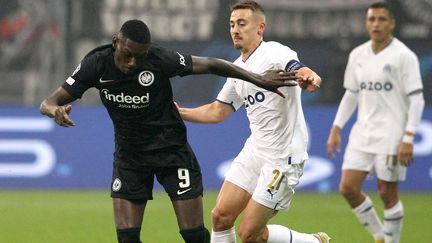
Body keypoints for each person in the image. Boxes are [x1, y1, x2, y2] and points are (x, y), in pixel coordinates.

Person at [40, 19, 298, 243]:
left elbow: (211, 65)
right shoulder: (96, 64)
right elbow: (48, 103)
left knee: (193, 236)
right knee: (127, 238)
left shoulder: (158, 59)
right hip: (130, 158)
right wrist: (55, 112)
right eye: (128, 54)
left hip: (172, 154)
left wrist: (260, 79)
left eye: (139, 57)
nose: (132, 63)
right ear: (115, 41)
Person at [176, 1, 330, 243]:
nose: (235, 29)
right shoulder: (238, 70)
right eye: (232, 24)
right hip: (256, 150)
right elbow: (218, 111)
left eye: (242, 23)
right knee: (221, 216)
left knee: (251, 235)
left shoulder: (275, 53)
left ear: (260, 28)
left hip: (282, 157)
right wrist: (180, 112)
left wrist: (309, 77)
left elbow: (299, 69)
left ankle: (313, 242)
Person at [326, 2, 425, 243]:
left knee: (387, 193)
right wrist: (337, 126)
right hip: (362, 134)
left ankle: (391, 241)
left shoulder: (404, 56)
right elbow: (351, 94)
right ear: (366, 23)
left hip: (391, 136)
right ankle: (380, 236)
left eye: (381, 19)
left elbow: (417, 99)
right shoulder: (357, 55)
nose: (376, 24)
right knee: (348, 188)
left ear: (392, 23)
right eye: (372, 19)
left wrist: (408, 137)